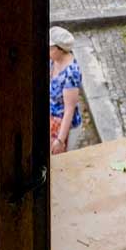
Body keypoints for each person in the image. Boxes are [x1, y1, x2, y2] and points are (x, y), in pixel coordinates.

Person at [49, 26, 83, 154]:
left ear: (61, 50)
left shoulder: (71, 73)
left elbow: (69, 110)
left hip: (64, 126)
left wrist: (60, 141)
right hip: (52, 120)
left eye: (50, 48)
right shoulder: (53, 61)